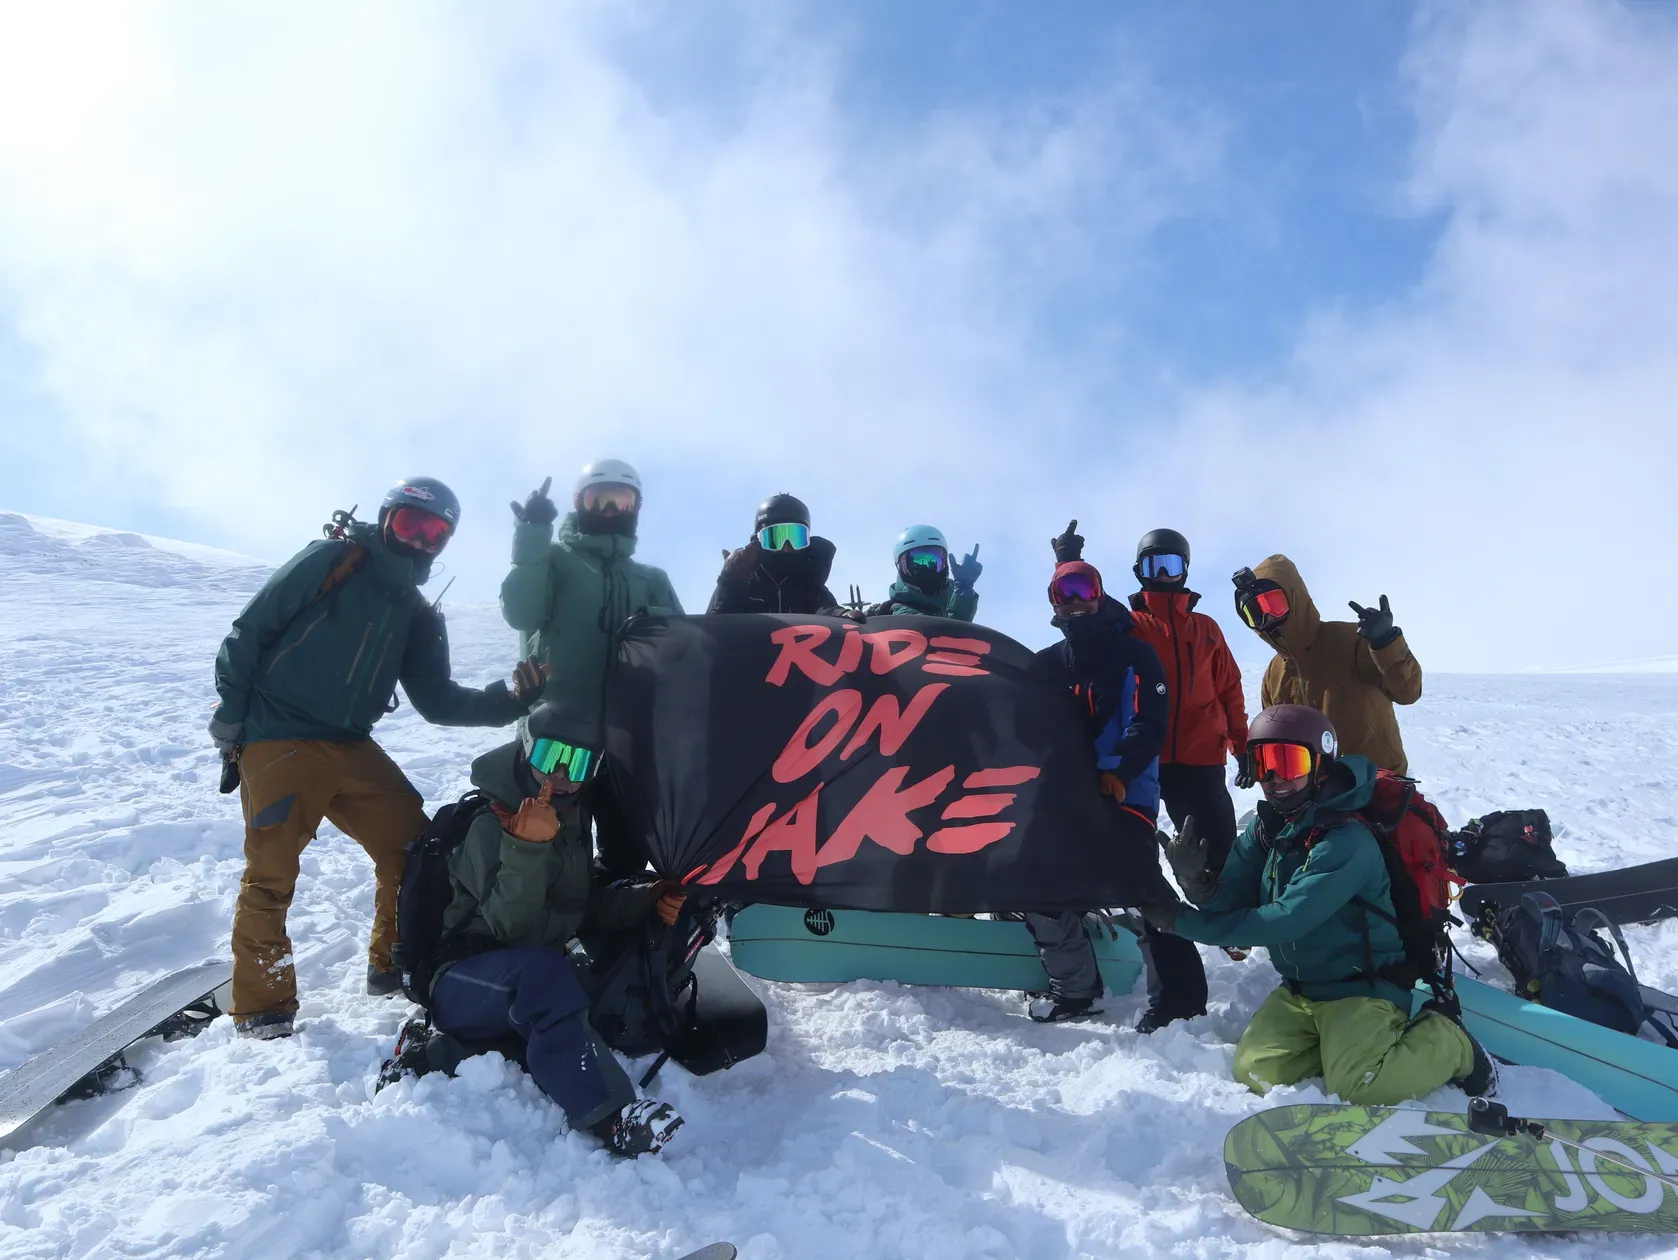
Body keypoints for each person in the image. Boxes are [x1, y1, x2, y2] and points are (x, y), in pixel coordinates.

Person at [209, 478, 546, 1038]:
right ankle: (263, 1005)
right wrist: (231, 717)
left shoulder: (415, 613)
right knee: (272, 871)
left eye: (435, 534)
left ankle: (392, 961)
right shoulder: (333, 560)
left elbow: (438, 700)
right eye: (410, 524)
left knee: (416, 848)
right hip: (280, 733)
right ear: (387, 519)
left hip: (350, 744)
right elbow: (251, 630)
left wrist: (510, 700)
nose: (419, 541)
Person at [1145, 704, 1494, 1103]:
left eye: (1288, 762)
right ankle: (1337, 1048)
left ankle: (1451, 1042)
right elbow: (1227, 901)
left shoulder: (1347, 842)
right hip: (1301, 991)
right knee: (1256, 1072)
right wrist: (1197, 884)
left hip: (1362, 988)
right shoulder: (1269, 827)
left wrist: (1180, 922)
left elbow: (1285, 920)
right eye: (1263, 763)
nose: (1274, 779)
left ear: (1322, 765)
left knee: (1362, 1088)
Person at [426, 702, 687, 1157]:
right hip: (460, 977)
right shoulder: (491, 823)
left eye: (580, 762)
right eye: (551, 757)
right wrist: (525, 848)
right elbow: (512, 929)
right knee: (543, 975)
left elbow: (580, 908)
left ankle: (435, 1054)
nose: (563, 775)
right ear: (527, 750)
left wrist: (647, 899)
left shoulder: (570, 816)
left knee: (571, 982)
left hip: (518, 977)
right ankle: (612, 1117)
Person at [1026, 556, 1208, 1030]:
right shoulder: (1047, 664)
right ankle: (1075, 989)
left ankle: (1180, 1001)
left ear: (1100, 594)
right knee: (1041, 884)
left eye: (1084, 590)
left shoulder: (1135, 654)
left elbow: (1150, 722)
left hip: (1126, 791)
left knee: (1142, 887)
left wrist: (1119, 771)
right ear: (1053, 603)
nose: (1075, 602)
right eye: (1064, 593)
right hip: (1066, 795)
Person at [502, 460, 683, 878]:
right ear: (578, 503)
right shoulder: (551, 560)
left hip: (626, 741)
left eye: (620, 501)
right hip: (556, 738)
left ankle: (610, 936)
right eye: (597, 500)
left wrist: (653, 621)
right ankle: (541, 936)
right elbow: (520, 611)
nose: (608, 510)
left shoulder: (650, 578)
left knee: (625, 850)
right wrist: (530, 537)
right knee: (549, 846)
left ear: (635, 508)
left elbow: (679, 650)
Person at [1054, 522, 1248, 873]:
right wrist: (1067, 563)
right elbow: (1081, 604)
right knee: (1130, 849)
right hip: (1142, 756)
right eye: (1152, 565)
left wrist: (1241, 745)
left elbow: (1229, 688)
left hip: (1200, 759)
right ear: (1138, 572)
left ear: (1185, 570)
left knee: (1217, 854)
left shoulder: (1206, 629)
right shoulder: (1128, 623)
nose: (1161, 574)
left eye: (1170, 565)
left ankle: (1231, 920)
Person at [1232, 556, 1421, 775]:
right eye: (1254, 613)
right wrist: (1258, 762)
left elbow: (1408, 692)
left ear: (1295, 596)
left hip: (1377, 785)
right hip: (1313, 791)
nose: (1267, 617)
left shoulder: (1354, 640)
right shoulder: (1273, 675)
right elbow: (1276, 736)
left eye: (1273, 604)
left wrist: (1386, 642)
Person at [708, 493, 844, 615]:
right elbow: (714, 629)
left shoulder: (808, 584)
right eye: (774, 539)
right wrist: (730, 583)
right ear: (759, 540)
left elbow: (826, 609)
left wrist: (841, 615)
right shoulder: (745, 582)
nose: (785, 547)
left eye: (795, 539)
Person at [863, 525, 982, 620]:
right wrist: (963, 591)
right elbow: (948, 637)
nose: (925, 570)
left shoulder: (951, 598)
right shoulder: (899, 613)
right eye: (916, 563)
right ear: (900, 568)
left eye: (933, 561)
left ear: (945, 563)